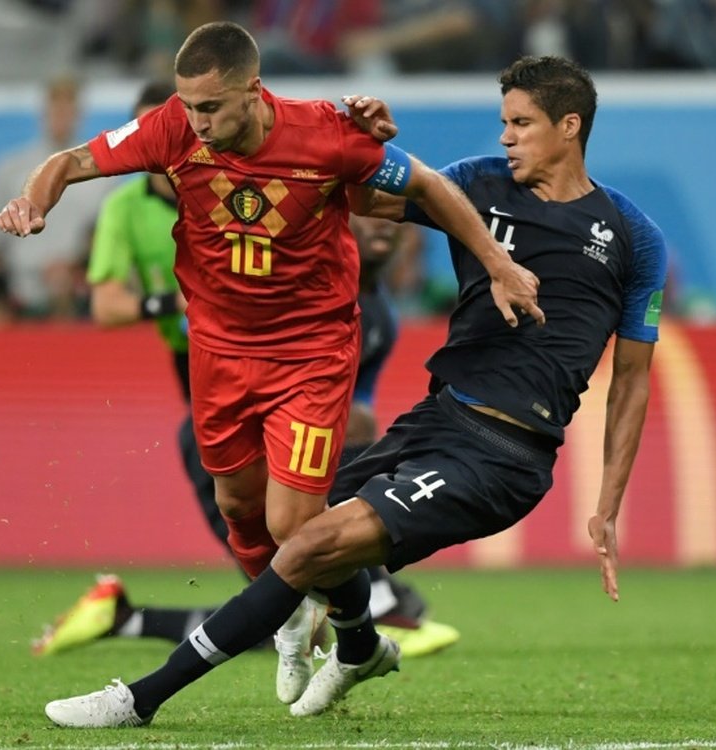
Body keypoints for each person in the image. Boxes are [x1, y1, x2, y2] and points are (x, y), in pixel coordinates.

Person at [37, 53, 668, 728]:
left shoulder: (634, 238)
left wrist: (607, 504)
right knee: (297, 530)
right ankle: (362, 646)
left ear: (570, 126)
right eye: (503, 122)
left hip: (505, 457)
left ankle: (141, 698)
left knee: (306, 549)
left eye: (522, 123)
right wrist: (374, 142)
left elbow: (631, 379)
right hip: (439, 419)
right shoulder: (480, 184)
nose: (506, 136)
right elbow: (365, 195)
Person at [30, 81, 458, 660]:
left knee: (297, 533)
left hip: (292, 377)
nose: (188, 129)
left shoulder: (363, 302)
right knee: (270, 554)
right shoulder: (129, 209)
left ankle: (369, 610)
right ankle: (364, 610)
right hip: (209, 383)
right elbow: (104, 306)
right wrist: (172, 304)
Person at [0, 74, 119, 317]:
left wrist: (74, 267)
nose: (61, 116)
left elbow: (107, 237)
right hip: (20, 291)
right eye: (56, 107)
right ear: (44, 111)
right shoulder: (10, 169)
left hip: (79, 293)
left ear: (78, 113)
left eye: (68, 108)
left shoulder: (103, 172)